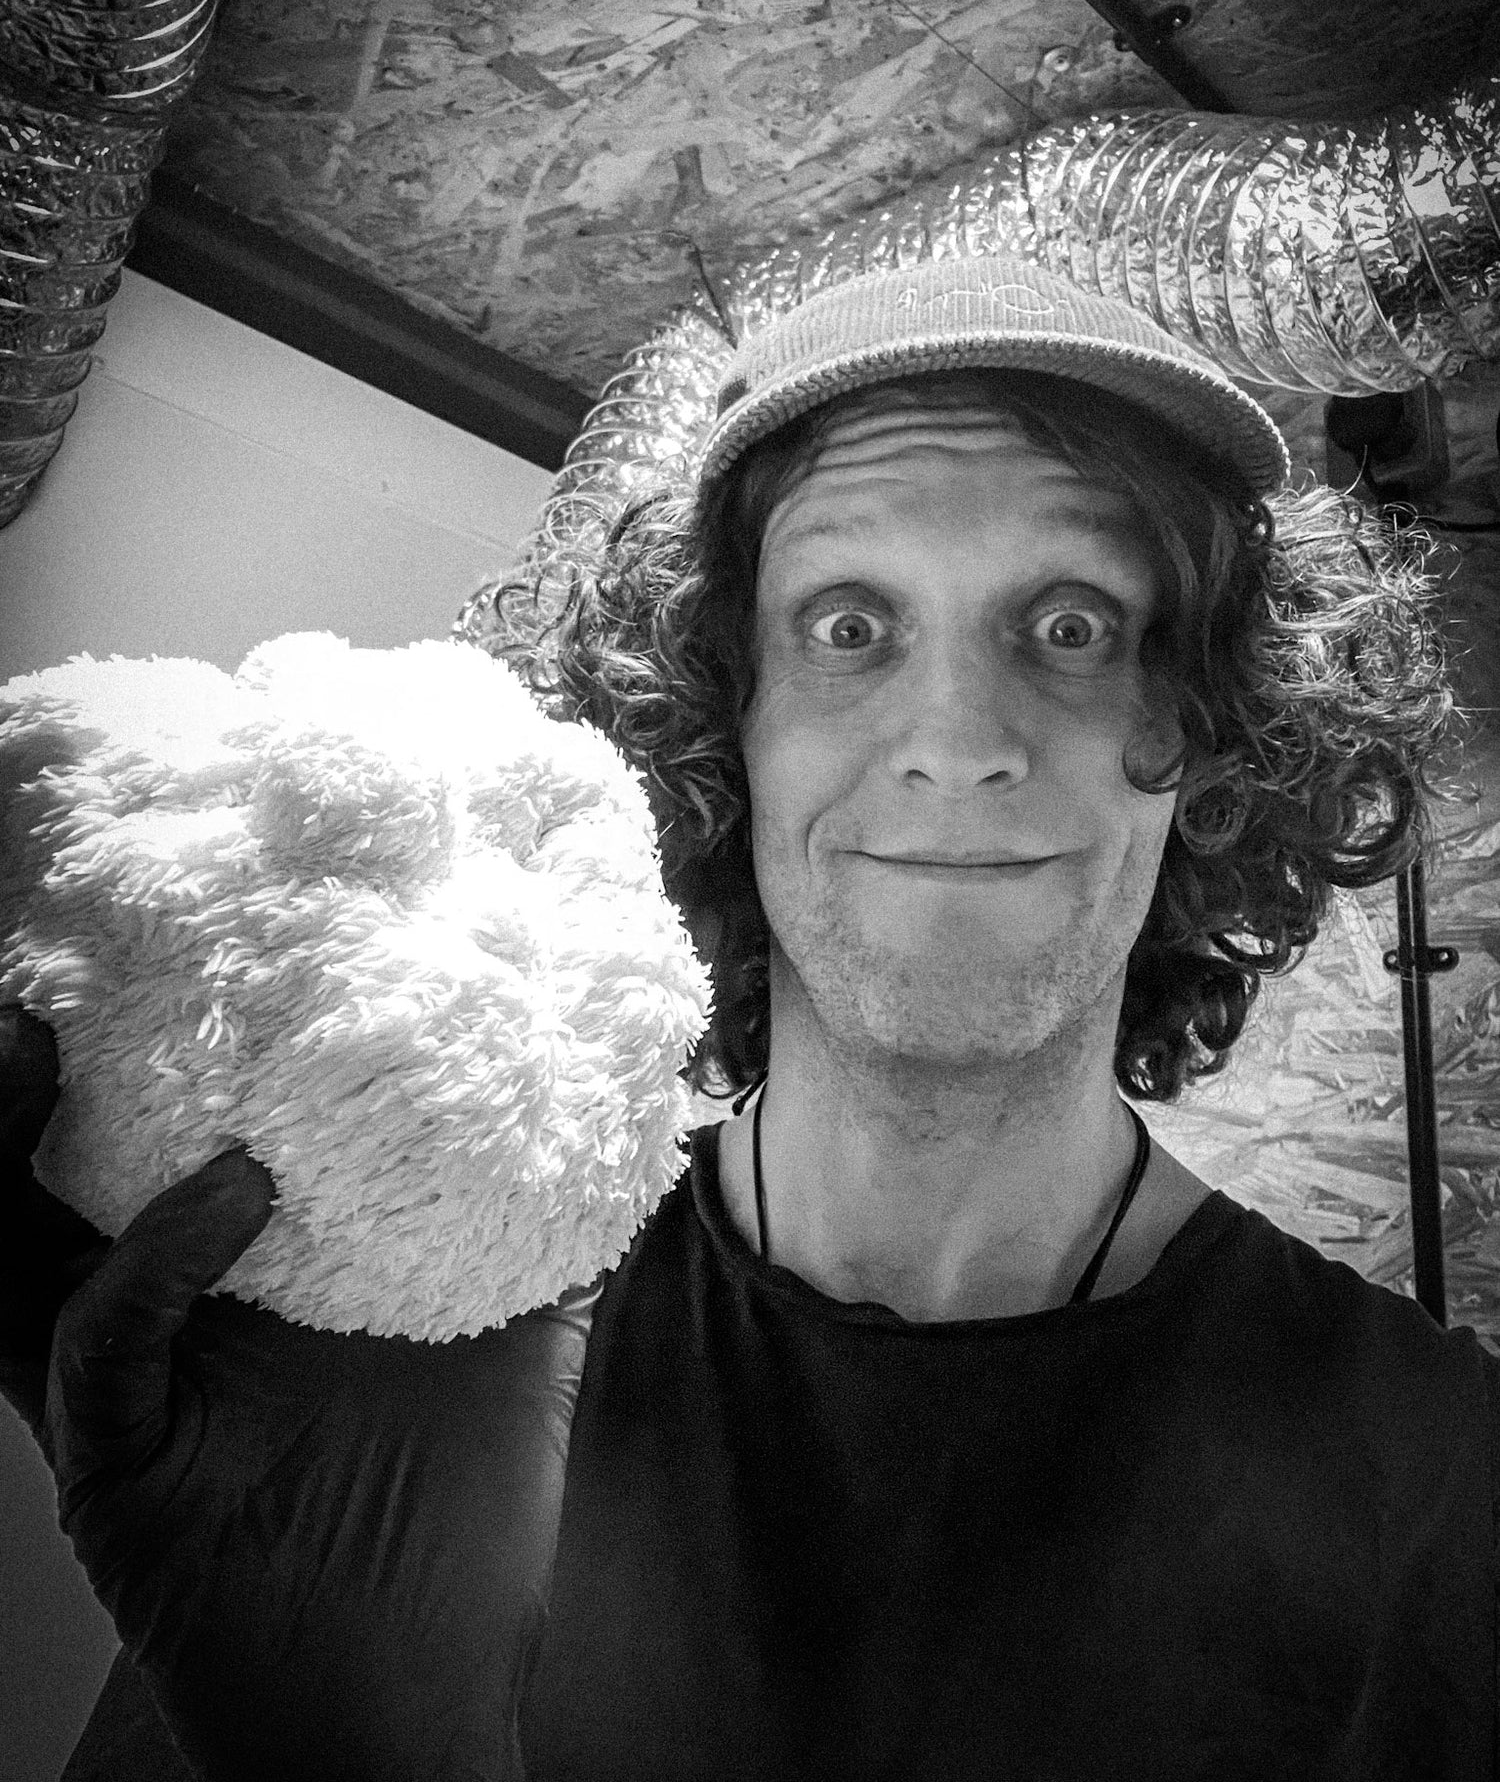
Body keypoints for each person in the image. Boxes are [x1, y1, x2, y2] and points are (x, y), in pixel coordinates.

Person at [2, 258, 1492, 1781]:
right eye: (849, 627)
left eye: (1072, 625)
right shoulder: (425, 1358)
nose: (959, 743)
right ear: (726, 720)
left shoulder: (1446, 1482)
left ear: (1191, 725)